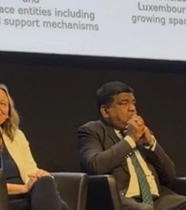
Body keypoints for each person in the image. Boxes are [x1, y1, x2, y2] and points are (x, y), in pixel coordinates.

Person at [78, 81, 186, 210]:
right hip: (122, 200)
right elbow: (94, 166)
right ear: (105, 111)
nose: (132, 108)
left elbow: (170, 176)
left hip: (158, 199)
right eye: (124, 103)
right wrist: (130, 139)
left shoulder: (142, 133)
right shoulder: (92, 131)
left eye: (133, 103)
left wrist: (151, 144)